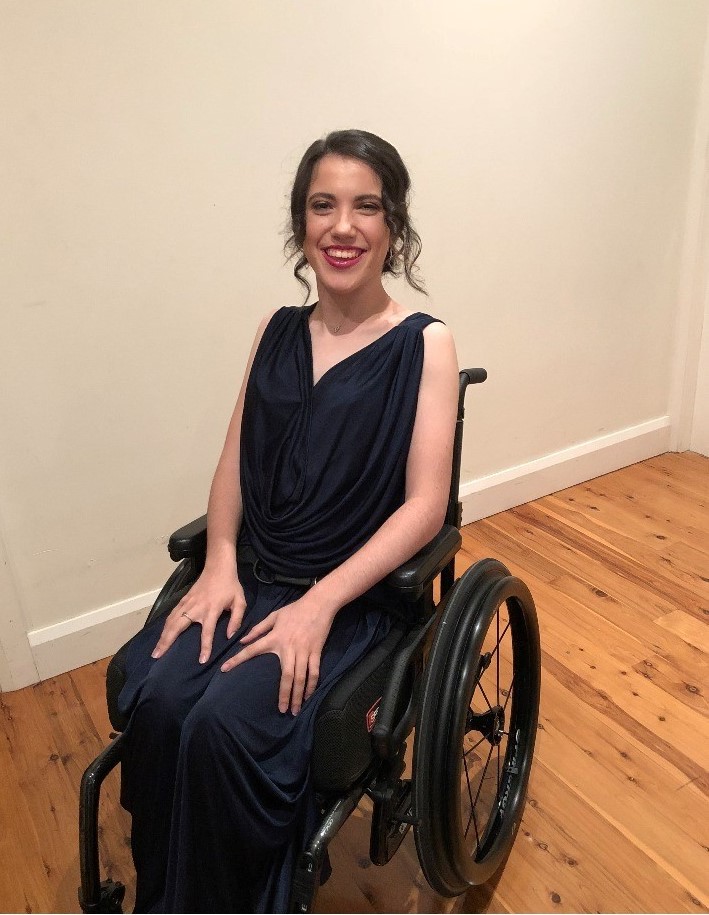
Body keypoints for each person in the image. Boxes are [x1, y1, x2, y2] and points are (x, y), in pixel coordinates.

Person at [117, 128, 459, 913]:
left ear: (393, 227)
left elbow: (424, 506)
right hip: (253, 578)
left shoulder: (423, 345)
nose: (343, 226)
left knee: (221, 729)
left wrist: (318, 604)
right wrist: (220, 561)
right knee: (163, 705)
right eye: (323, 205)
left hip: (344, 602)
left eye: (365, 206)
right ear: (300, 226)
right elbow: (234, 459)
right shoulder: (275, 330)